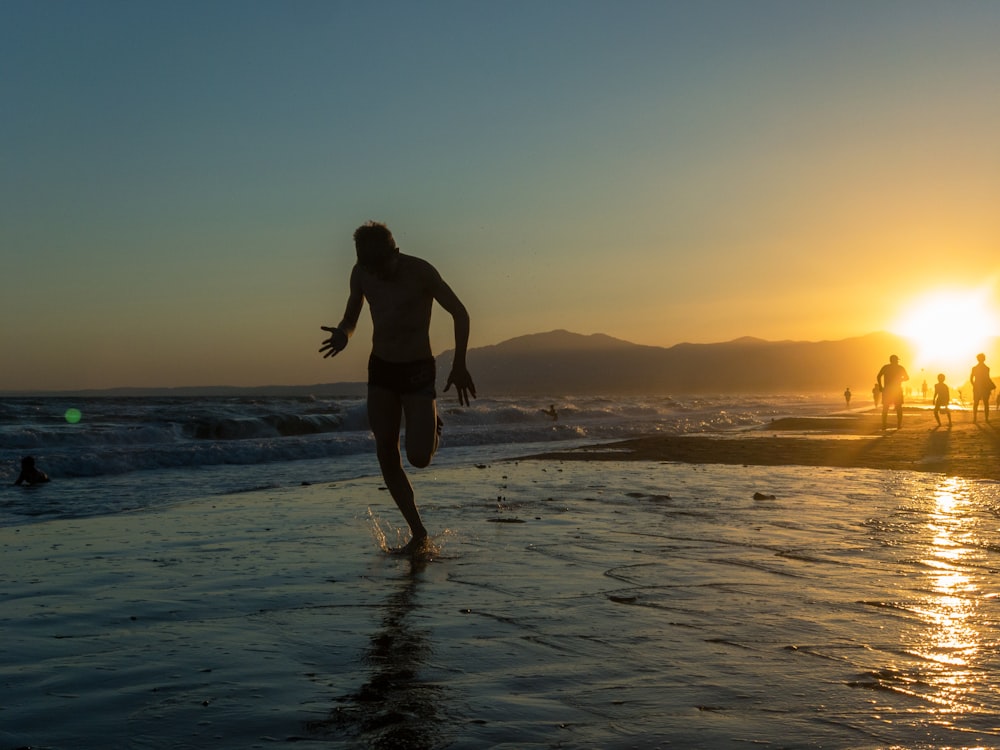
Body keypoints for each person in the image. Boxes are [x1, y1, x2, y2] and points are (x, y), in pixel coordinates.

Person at [319, 221, 476, 554]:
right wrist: (342, 335)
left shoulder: (421, 272)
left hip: (417, 370)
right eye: (369, 268)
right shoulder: (361, 274)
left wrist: (459, 364)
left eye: (381, 266)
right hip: (381, 369)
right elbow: (351, 319)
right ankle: (418, 532)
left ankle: (431, 423)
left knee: (418, 458)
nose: (377, 274)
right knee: (386, 452)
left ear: (396, 253)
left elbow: (460, 313)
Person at [876, 354, 909, 430]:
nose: (897, 361)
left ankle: (885, 425)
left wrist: (881, 386)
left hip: (888, 390)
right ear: (893, 360)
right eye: (896, 360)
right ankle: (898, 425)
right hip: (896, 390)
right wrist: (901, 379)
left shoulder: (886, 367)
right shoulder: (900, 368)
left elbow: (878, 376)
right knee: (898, 407)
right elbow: (907, 378)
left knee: (886, 407)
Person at [969, 353, 994, 424]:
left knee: (976, 403)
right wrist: (990, 387)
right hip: (985, 388)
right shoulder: (987, 368)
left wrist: (974, 385)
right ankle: (986, 419)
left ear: (977, 359)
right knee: (986, 403)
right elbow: (987, 379)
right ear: (984, 359)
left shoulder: (974, 368)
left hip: (977, 387)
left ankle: (975, 419)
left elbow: (971, 379)